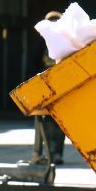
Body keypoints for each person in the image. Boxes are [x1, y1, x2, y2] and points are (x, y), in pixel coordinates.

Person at [32, 11, 66, 166]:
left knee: (59, 123)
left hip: (60, 88)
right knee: (40, 122)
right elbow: (31, 66)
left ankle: (57, 153)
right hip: (43, 87)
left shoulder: (66, 42)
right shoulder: (40, 45)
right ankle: (40, 153)